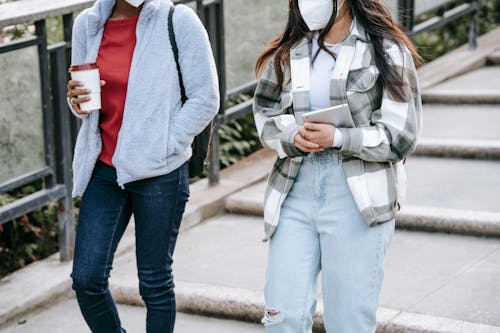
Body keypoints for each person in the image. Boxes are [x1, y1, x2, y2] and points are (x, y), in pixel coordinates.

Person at [253, 0, 422, 332]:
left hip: (357, 195)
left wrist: (340, 138)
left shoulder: (386, 49)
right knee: (282, 316)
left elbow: (402, 134)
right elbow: (265, 113)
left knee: (348, 322)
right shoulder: (291, 49)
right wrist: (291, 136)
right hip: (295, 187)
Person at [65, 0, 219, 332]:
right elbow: (84, 98)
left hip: (160, 172)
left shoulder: (178, 20)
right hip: (104, 168)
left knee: (154, 283)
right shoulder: (87, 24)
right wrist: (76, 101)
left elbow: (205, 97)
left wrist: (166, 143)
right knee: (87, 279)